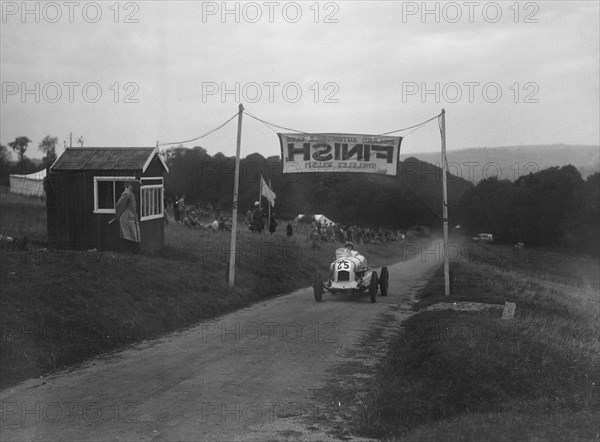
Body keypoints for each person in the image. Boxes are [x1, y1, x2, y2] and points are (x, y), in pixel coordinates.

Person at [115, 180, 140, 253]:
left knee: (133, 235)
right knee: (129, 235)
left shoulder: (132, 193)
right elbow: (119, 205)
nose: (138, 188)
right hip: (127, 218)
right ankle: (128, 253)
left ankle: (132, 253)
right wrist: (118, 216)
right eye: (138, 186)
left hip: (131, 217)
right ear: (134, 186)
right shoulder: (127, 193)